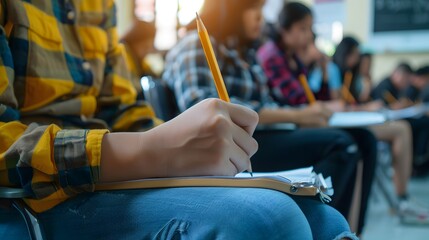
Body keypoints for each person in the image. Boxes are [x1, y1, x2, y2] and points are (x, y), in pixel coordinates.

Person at [0, 0, 356, 239]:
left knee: (325, 220)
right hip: (32, 198)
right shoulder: (195, 49)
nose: (260, 19)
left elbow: (124, 106)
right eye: (254, 9)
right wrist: (151, 150)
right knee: (271, 220)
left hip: (117, 177)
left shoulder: (99, 5)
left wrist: (160, 139)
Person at [163, 0, 365, 237]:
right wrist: (296, 114)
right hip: (235, 147)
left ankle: (342, 229)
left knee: (362, 138)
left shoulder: (246, 51)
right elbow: (202, 107)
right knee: (341, 144)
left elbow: (268, 101)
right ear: (231, 11)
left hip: (260, 135)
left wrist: (299, 116)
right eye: (254, 10)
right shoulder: (196, 44)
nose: (261, 18)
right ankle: (316, 226)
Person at [256, 2, 378, 234]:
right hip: (280, 127)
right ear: (285, 29)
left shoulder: (291, 57)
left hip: (294, 121)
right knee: (344, 145)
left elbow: (313, 100)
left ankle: (353, 229)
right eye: (303, 29)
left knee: (365, 139)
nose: (308, 36)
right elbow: (296, 100)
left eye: (310, 29)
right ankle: (326, 229)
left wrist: (320, 70)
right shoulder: (271, 54)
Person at [333, 37, 429, 223]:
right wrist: (365, 106)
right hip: (345, 122)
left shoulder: (354, 77)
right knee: (394, 131)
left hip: (355, 119)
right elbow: (339, 105)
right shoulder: (336, 71)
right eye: (359, 58)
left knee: (401, 128)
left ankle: (402, 197)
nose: (363, 63)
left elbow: (353, 102)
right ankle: (401, 198)